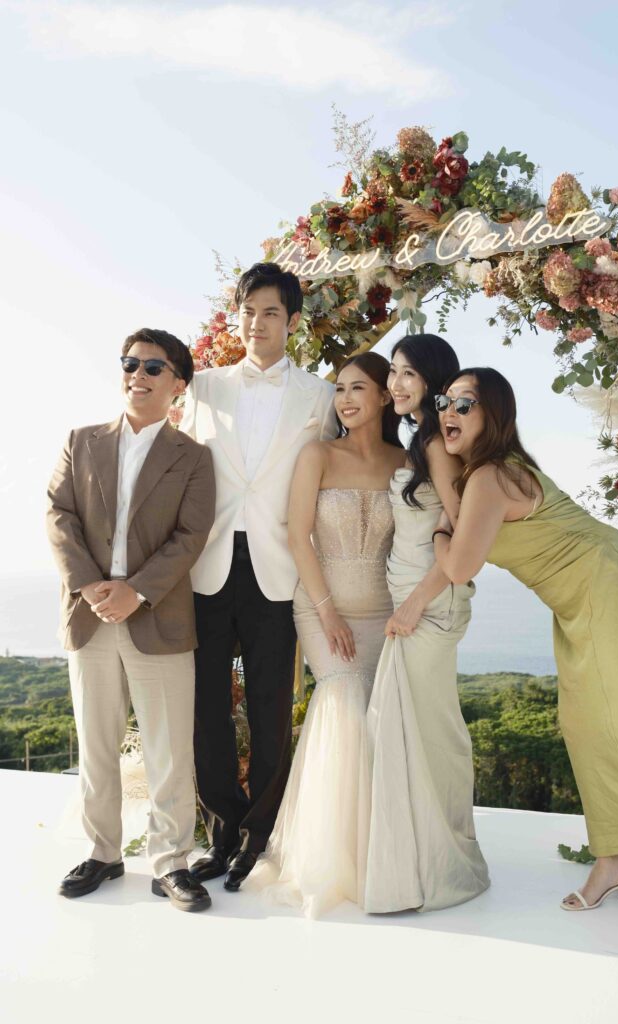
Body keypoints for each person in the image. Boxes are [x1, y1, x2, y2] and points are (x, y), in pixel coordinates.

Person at [433, 366, 618, 911]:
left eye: (464, 404)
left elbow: (457, 567)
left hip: (606, 585)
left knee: (615, 718)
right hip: (588, 594)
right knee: (586, 720)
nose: (449, 413)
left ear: (494, 413)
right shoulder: (491, 472)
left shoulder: (489, 476)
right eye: (443, 403)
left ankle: (613, 862)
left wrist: (436, 532)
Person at [47, 328, 216, 912]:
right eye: (130, 363)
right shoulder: (81, 440)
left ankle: (171, 862)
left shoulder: (194, 458)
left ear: (178, 384)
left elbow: (191, 536)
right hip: (90, 615)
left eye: (152, 367)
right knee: (97, 745)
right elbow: (59, 515)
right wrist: (94, 587)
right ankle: (102, 853)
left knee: (169, 750)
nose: (137, 374)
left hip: (158, 619)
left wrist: (136, 592)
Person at [182, 262, 336, 891]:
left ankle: (259, 836)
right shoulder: (203, 388)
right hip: (207, 564)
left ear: (292, 321)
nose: (256, 323)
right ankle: (219, 830)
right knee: (206, 708)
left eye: (270, 312)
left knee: (273, 708)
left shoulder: (322, 397)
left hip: (279, 566)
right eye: (247, 311)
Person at [242, 352, 405, 916]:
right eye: (339, 389)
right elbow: (297, 536)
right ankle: (328, 862)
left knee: (378, 726)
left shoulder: (404, 461)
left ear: (387, 395)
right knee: (342, 706)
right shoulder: (318, 454)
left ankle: (380, 855)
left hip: (383, 616)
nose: (345, 399)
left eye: (358, 388)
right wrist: (328, 611)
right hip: (320, 610)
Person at [364, 335, 490, 914]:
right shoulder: (420, 438)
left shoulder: (438, 444)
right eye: (392, 372)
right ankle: (418, 856)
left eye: (408, 373)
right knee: (411, 730)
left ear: (433, 381)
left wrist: (416, 602)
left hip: (429, 603)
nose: (395, 383)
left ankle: (446, 866)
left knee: (434, 733)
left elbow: (464, 532)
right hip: (412, 598)